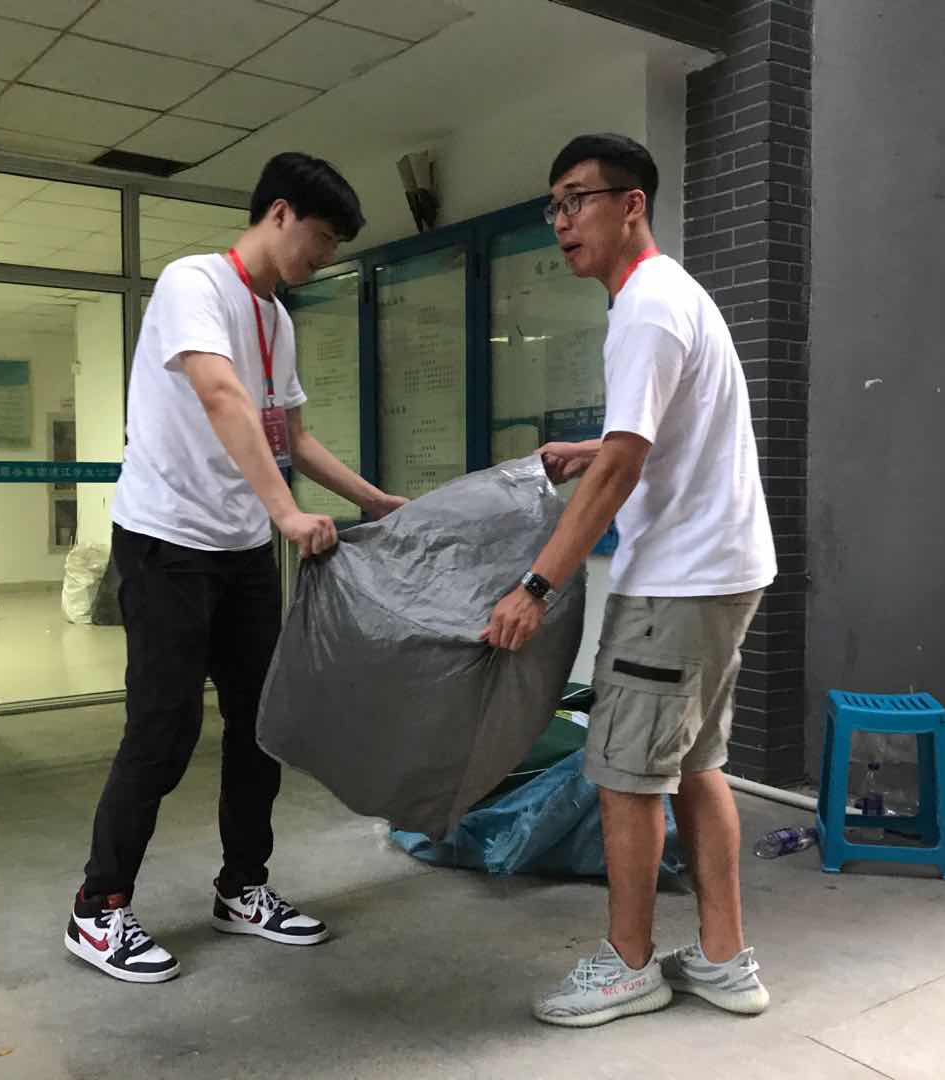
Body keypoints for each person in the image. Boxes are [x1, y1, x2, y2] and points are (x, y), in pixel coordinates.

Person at [65, 152, 406, 983]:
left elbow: (291, 435)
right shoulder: (194, 284)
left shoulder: (276, 319)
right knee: (164, 728)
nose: (324, 256)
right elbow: (221, 396)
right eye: (322, 238)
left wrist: (372, 500)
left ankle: (242, 887)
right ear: (280, 213)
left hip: (240, 548)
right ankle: (98, 908)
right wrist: (286, 512)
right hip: (165, 542)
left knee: (261, 723)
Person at [482, 133, 778, 1027]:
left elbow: (623, 469)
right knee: (696, 767)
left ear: (632, 204)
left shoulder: (645, 307)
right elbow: (648, 438)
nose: (562, 221)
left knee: (626, 776)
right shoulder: (671, 294)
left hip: (679, 582)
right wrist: (595, 446)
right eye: (555, 205)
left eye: (578, 199)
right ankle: (724, 959)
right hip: (722, 572)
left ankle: (629, 965)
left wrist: (535, 587)